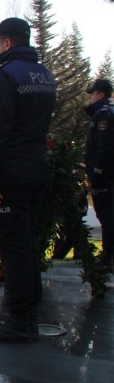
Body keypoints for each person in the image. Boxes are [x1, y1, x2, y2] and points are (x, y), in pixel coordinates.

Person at [0, 17, 56, 343]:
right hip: (36, 169)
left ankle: (18, 323)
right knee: (28, 245)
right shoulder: (43, 75)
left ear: (7, 43)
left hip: (9, 174)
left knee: (14, 247)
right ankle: (28, 317)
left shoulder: (4, 76)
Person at [84, 79, 114, 271]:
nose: (91, 97)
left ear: (100, 94)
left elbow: (105, 150)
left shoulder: (103, 116)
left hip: (106, 179)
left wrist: (96, 176)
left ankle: (108, 257)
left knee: (108, 218)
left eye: (93, 94)